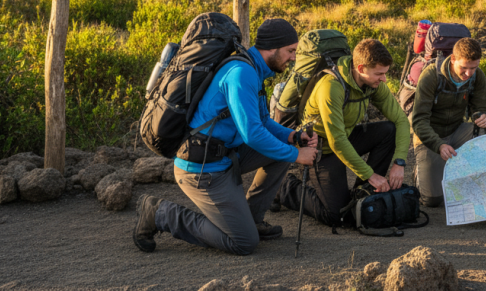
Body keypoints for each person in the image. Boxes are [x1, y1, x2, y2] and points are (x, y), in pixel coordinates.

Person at [132, 18, 319, 255]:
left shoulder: (253, 69)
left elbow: (262, 121)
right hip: (202, 168)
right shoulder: (242, 73)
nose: (293, 57)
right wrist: (296, 155)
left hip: (224, 155)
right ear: (272, 48)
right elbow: (253, 134)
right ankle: (159, 213)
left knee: (281, 148)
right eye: (290, 51)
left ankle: (251, 219)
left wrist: (292, 136)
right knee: (243, 242)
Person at [276, 38, 410, 226]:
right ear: (361, 68)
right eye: (379, 74)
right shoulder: (331, 86)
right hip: (321, 149)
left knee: (389, 130)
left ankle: (363, 194)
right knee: (336, 216)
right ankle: (284, 187)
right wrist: (371, 175)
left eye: (385, 73)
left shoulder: (373, 84)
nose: (384, 79)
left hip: (345, 137)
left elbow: (401, 120)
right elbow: (336, 140)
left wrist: (399, 162)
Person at [411, 37, 486, 207]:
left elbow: (482, 107)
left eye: (473, 68)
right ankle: (419, 173)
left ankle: (480, 176)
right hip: (430, 138)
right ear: (453, 59)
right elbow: (418, 121)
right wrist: (439, 145)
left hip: (457, 131)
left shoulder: (477, 76)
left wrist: (482, 116)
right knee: (432, 200)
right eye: (464, 68)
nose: (469, 73)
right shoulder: (431, 76)